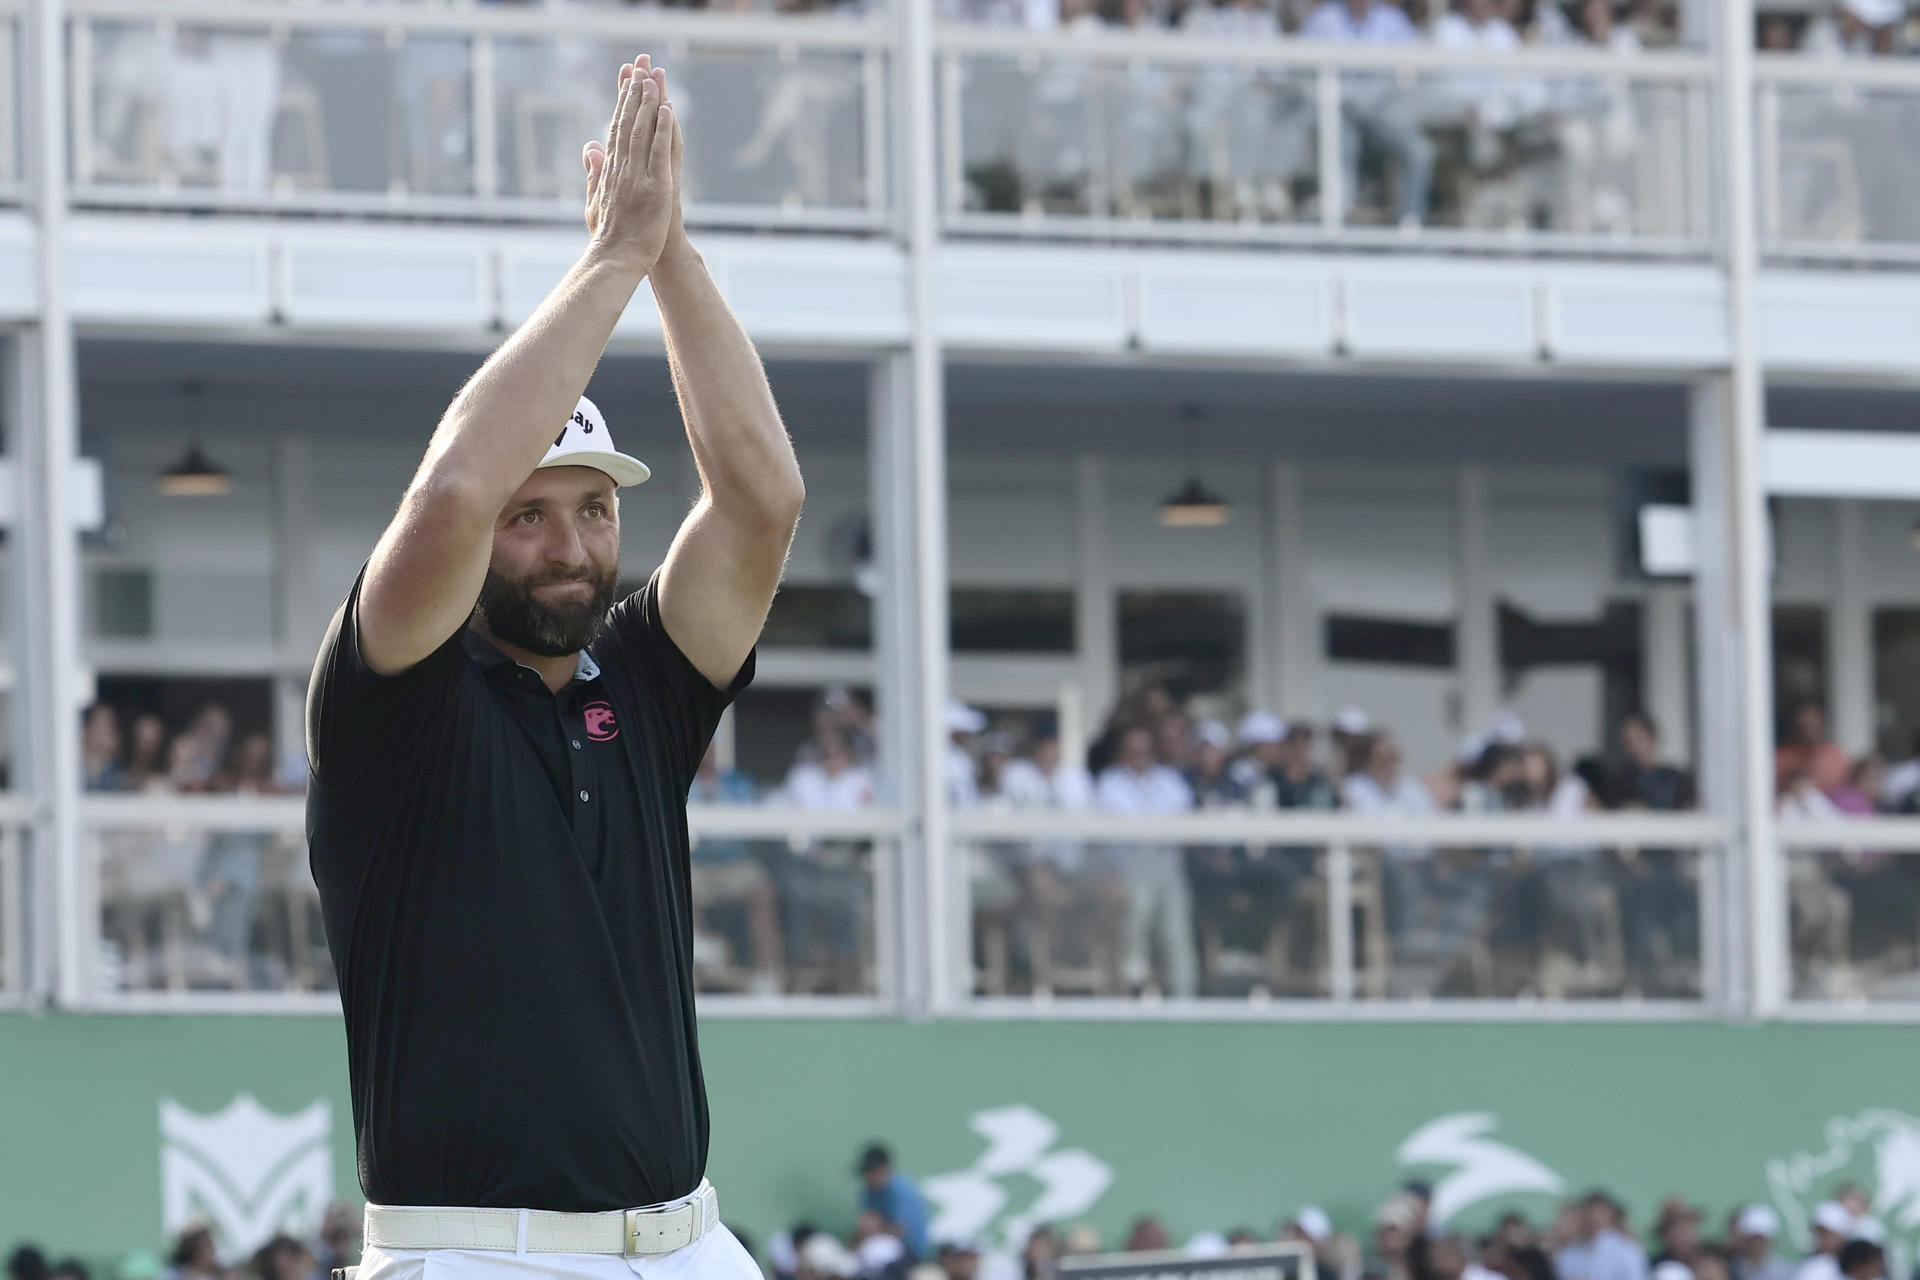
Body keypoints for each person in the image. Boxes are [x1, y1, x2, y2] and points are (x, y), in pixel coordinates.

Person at [306, 54, 801, 1280]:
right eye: (533, 515)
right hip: (475, 1254)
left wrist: (670, 250)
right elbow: (451, 490)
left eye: (594, 509)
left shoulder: (635, 677)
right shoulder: (393, 695)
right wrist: (610, 263)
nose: (571, 546)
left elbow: (763, 500)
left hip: (689, 1238)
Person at [1299, 0, 1435, 227]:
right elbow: (1300, 65)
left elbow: (1417, 63)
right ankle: (1338, 222)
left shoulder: (1392, 20)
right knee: (1341, 145)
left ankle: (1411, 223)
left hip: (1382, 111)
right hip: (1339, 110)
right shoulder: (1324, 18)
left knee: (1419, 150)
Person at [1096, 723, 1198, 997]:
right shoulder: (1110, 782)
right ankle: (1136, 990)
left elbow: (1183, 825)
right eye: (1133, 751)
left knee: (1176, 931)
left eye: (1144, 751)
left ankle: (1183, 996)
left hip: (1167, 863)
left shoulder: (1169, 780)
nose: (1139, 756)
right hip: (1127, 867)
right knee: (1137, 915)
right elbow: (1110, 836)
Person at [858, 1144, 931, 1261]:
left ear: (883, 1169)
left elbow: (901, 1229)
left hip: (911, 1253)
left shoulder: (901, 1189)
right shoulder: (869, 1190)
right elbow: (867, 1222)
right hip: (888, 1245)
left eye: (872, 1171)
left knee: (874, 1250)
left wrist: (872, 1235)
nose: (868, 1177)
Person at [1794, 1204, 1854, 1280]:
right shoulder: (1813, 1265)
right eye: (1816, 1231)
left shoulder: (1856, 1269)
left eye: (1824, 1233)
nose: (1818, 1237)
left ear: (1841, 1237)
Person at [1728, 1207, 1790, 1280]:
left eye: (1761, 1239)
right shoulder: (1731, 1266)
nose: (1756, 1244)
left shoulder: (1784, 1270)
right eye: (1752, 1239)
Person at [82, 703, 127, 791]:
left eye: (113, 725)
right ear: (85, 730)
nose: (110, 730)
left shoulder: (120, 776)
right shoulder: (68, 770)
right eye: (103, 724)